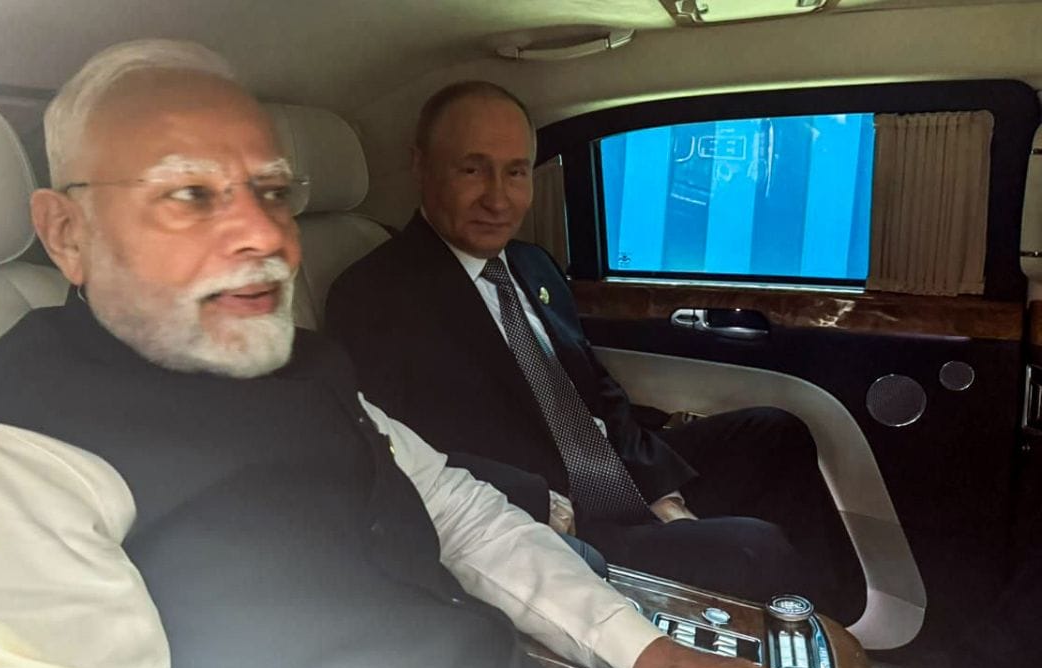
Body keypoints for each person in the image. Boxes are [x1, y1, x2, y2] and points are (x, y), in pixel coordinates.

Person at [0, 41, 769, 668]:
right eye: (189, 194)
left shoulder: (301, 363)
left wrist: (641, 647)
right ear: (66, 232)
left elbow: (457, 513)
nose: (267, 237)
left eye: (274, 192)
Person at [325, 80, 864, 621]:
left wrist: (662, 495)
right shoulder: (375, 296)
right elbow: (401, 453)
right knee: (755, 548)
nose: (498, 197)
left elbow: (596, 392)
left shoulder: (532, 265)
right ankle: (808, 635)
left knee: (775, 432)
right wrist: (549, 506)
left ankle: (832, 621)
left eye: (515, 172)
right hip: (552, 520)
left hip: (609, 471)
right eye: (472, 169)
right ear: (421, 166)